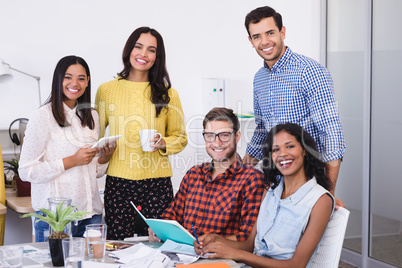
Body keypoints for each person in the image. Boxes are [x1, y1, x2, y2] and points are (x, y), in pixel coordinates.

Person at [242, 6, 346, 208]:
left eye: (270, 33)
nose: (264, 42)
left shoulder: (310, 71)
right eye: (257, 36)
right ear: (251, 41)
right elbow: (262, 129)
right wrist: (238, 173)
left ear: (282, 32)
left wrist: (328, 194)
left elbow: (331, 134)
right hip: (275, 180)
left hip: (309, 181)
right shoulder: (259, 78)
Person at [195, 122, 334, 267]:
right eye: (275, 149)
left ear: (305, 150)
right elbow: (250, 244)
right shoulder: (270, 190)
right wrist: (217, 240)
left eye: (290, 146)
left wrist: (237, 254)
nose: (283, 154)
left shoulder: (320, 200)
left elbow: (296, 265)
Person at [95, 27, 188, 240]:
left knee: (159, 243)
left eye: (151, 50)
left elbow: (180, 137)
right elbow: (97, 139)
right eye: (138, 47)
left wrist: (164, 142)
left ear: (158, 56)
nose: (143, 54)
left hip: (157, 182)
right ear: (129, 50)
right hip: (118, 182)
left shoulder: (168, 94)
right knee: (118, 243)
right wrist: (104, 153)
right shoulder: (106, 90)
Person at [19, 55, 116, 241]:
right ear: (58, 79)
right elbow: (26, 171)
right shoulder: (42, 117)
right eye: (68, 77)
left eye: (81, 78)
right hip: (56, 220)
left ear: (88, 82)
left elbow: (92, 170)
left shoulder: (91, 116)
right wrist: (72, 160)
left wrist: (104, 158)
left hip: (91, 215)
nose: (75, 83)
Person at [149, 108, 264, 242]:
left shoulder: (252, 179)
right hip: (184, 255)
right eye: (210, 135)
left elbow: (247, 237)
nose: (217, 143)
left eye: (224, 135)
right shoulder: (194, 174)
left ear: (237, 136)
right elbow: (171, 216)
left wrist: (206, 243)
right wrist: (158, 229)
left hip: (221, 258)